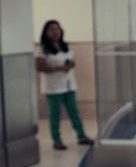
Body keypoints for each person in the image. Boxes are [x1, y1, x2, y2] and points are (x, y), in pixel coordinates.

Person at [36, 19, 94, 150]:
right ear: (46, 33)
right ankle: (57, 140)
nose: (55, 32)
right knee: (55, 114)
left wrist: (70, 65)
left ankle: (81, 136)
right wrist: (59, 68)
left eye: (57, 29)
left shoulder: (65, 46)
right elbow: (40, 67)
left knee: (74, 112)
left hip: (69, 85)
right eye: (51, 30)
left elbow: (71, 61)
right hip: (53, 88)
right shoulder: (43, 49)